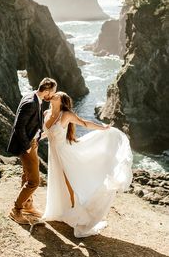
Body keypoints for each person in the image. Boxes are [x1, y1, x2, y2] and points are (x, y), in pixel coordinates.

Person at [43, 91, 133, 238]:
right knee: (58, 182)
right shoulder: (47, 113)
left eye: (57, 95)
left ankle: (76, 212)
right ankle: (62, 210)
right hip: (53, 154)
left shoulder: (66, 115)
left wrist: (102, 129)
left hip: (65, 153)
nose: (53, 95)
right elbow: (47, 132)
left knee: (70, 182)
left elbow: (84, 123)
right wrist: (35, 140)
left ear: (62, 101)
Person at [7, 77, 57, 225]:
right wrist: (28, 146)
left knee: (26, 175)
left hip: (31, 143)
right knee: (34, 181)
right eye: (52, 92)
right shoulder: (30, 102)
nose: (53, 95)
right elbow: (19, 127)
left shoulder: (34, 97)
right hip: (26, 146)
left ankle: (27, 206)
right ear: (46, 90)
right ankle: (15, 210)